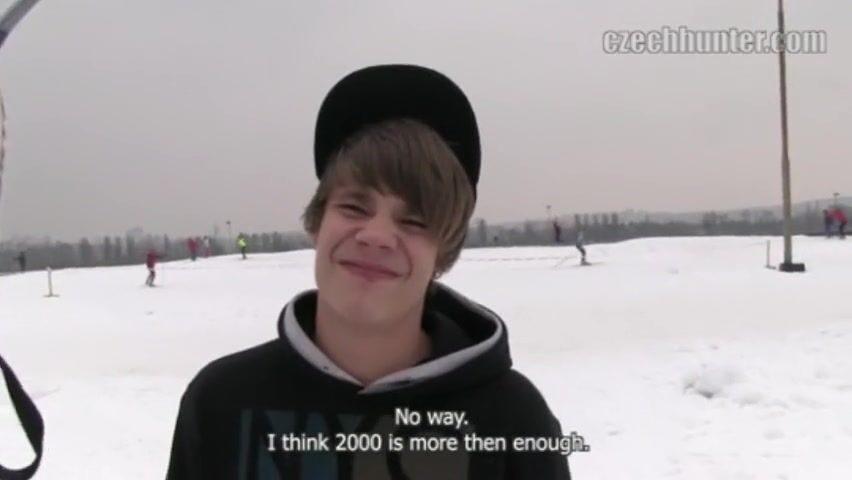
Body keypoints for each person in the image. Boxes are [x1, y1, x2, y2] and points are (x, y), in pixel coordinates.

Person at [165, 65, 571, 479]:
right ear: (317, 222)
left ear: (443, 251)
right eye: (354, 207)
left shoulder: (513, 418)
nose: (376, 236)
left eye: (414, 221)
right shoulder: (220, 401)